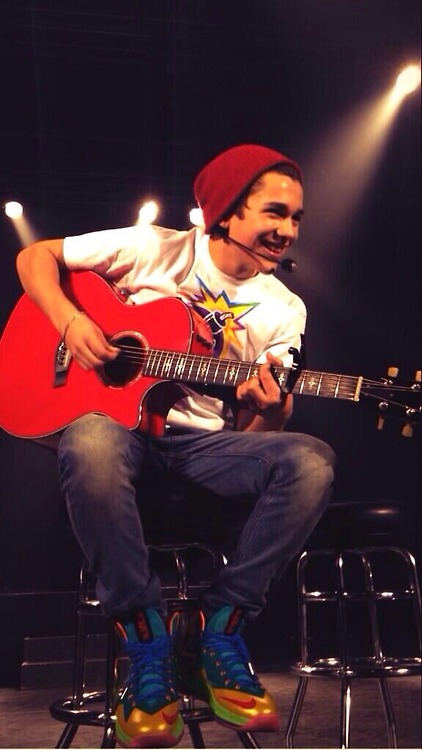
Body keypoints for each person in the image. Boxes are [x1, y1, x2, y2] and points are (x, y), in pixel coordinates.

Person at [16, 144, 336, 748]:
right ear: (227, 211)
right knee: (88, 436)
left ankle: (219, 629)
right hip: (120, 438)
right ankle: (145, 640)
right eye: (274, 213)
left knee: (311, 461)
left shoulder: (285, 309)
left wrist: (271, 408)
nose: (289, 231)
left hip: (203, 452)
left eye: (296, 217)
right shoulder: (152, 249)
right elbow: (35, 255)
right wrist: (70, 321)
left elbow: (257, 434)